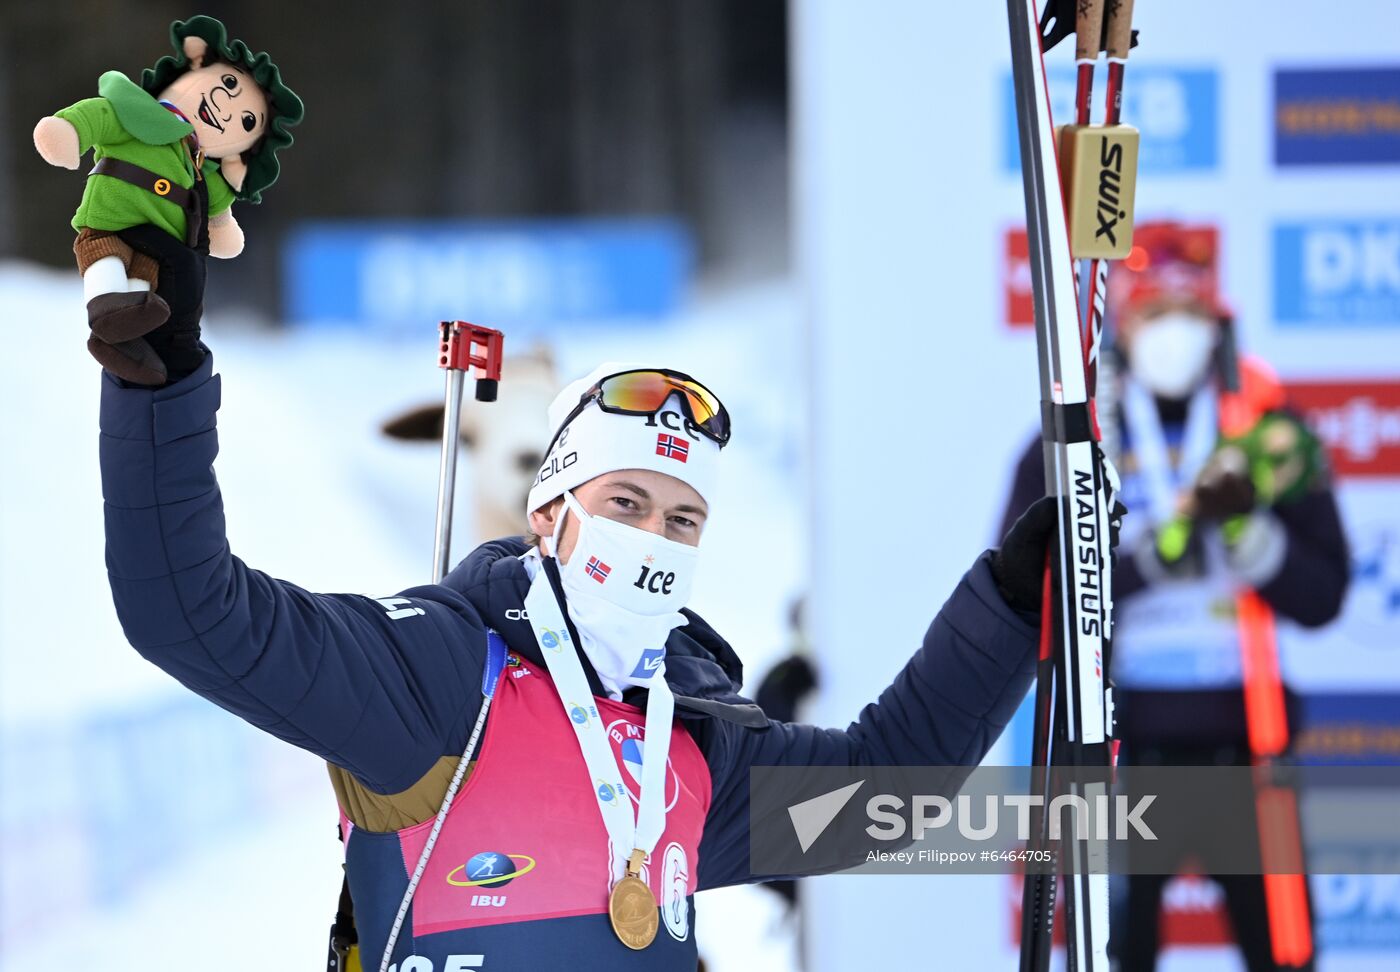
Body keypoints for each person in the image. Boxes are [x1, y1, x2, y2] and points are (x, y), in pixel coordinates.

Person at [96, 263, 1064, 970]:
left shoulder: (692, 737)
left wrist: (1012, 602)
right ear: (549, 515)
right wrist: (163, 384)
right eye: (626, 506)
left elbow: (871, 797)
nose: (655, 538)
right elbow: (187, 611)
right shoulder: (436, 674)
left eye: (682, 520)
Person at [998, 222, 1349, 971]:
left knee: (1286, 953)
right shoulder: (1074, 442)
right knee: (1107, 955)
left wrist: (1258, 547)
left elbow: (1325, 595)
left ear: (1218, 320)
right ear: (1123, 319)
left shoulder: (1269, 432)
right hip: (1117, 756)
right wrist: (1151, 561)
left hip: (1250, 754)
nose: (1174, 334)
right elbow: (1028, 597)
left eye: (1191, 315)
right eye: (1158, 313)